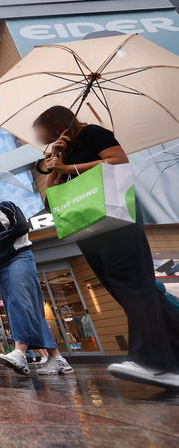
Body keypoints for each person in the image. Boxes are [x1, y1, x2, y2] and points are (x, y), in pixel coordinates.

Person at [33, 105, 179, 388]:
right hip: (89, 226)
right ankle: (170, 358)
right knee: (123, 288)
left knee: (131, 282)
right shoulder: (60, 152)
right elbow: (49, 200)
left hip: (117, 216)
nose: (37, 134)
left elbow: (119, 161)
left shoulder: (93, 134)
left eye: (40, 128)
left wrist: (69, 167)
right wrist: (56, 163)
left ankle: (155, 363)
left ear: (53, 124)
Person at [0, 181, 73, 376]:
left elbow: (21, 227)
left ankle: (19, 352)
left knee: (20, 301)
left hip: (19, 257)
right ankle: (57, 358)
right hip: (0, 266)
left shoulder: (6, 206)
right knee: (24, 306)